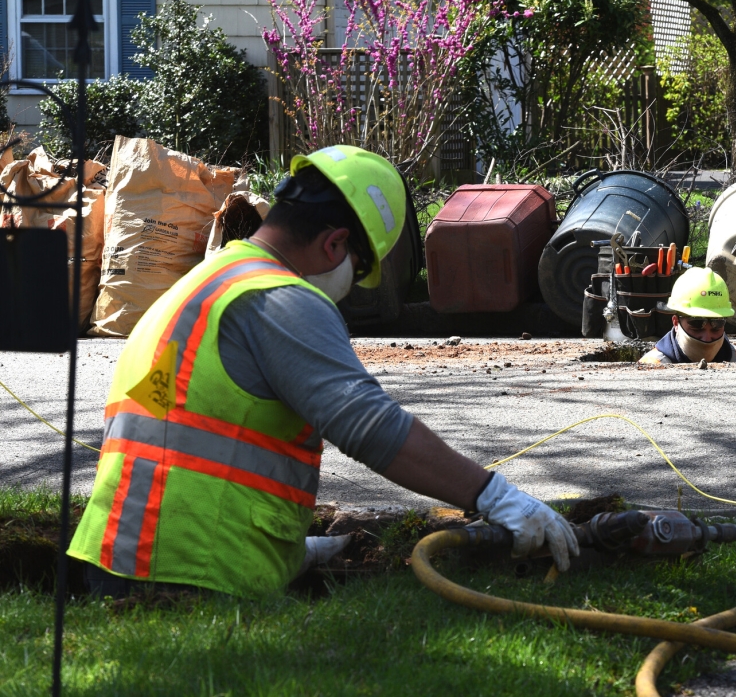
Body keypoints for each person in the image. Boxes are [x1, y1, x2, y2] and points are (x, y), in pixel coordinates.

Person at [68, 146, 578, 598]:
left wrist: (294, 548)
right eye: (358, 272)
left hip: (118, 555)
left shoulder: (205, 280)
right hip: (196, 573)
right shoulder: (283, 297)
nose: (348, 287)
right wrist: (495, 496)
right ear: (335, 245)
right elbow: (370, 427)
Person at [639, 267, 736, 365]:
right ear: (675, 322)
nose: (707, 338)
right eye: (696, 324)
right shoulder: (652, 365)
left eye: (717, 325)